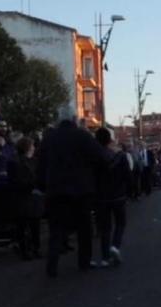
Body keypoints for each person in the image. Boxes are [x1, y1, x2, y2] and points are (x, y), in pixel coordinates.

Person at [37, 115, 112, 278]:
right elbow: (102, 157)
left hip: (55, 191)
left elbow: (40, 164)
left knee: (55, 229)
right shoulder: (82, 136)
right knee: (84, 228)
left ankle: (52, 266)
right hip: (81, 190)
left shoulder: (49, 139)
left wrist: (44, 186)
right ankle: (84, 261)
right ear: (74, 120)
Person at [95, 128, 132, 265]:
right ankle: (115, 246)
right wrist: (129, 191)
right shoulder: (120, 155)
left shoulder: (94, 157)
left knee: (105, 227)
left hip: (101, 197)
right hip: (118, 195)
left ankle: (105, 258)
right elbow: (128, 175)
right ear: (110, 140)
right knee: (120, 223)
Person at [8, 137, 43, 260]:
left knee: (32, 225)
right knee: (25, 225)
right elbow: (17, 181)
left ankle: (32, 248)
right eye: (32, 146)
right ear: (28, 147)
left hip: (29, 198)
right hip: (25, 197)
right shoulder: (17, 162)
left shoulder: (32, 161)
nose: (34, 148)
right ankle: (29, 249)